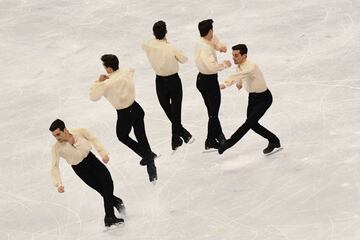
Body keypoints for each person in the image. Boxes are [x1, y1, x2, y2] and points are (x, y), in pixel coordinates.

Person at [89, 54, 157, 183]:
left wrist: (99, 81)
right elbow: (131, 70)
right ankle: (151, 167)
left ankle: (147, 156)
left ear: (108, 68)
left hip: (124, 114)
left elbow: (93, 96)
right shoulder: (126, 72)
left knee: (122, 136)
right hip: (136, 109)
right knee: (142, 138)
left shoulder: (106, 84)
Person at [49, 119, 125, 228]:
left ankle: (109, 216)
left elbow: (94, 139)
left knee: (108, 183)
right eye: (54, 136)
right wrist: (58, 183)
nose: (57, 138)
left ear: (64, 130)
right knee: (102, 190)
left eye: (58, 134)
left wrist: (103, 153)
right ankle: (116, 202)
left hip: (92, 161)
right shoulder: (56, 148)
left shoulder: (80, 132)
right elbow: (54, 166)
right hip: (80, 169)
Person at [218, 44, 281, 154]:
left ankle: (228, 143)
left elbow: (239, 75)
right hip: (252, 98)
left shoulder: (251, 66)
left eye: (236, 55)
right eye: (233, 55)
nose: (234, 58)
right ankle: (274, 140)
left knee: (248, 124)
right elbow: (240, 75)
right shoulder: (240, 65)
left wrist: (224, 84)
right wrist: (240, 82)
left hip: (264, 99)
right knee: (253, 125)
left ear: (244, 55)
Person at [142, 20, 193, 151]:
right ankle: (180, 135)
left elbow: (144, 44)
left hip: (159, 82)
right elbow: (184, 59)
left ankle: (177, 139)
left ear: (153, 33)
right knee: (175, 111)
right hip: (173, 81)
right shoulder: (171, 48)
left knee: (169, 110)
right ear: (166, 32)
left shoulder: (148, 45)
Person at [194, 19, 231, 150]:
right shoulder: (205, 48)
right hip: (208, 82)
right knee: (213, 113)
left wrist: (220, 46)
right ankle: (210, 140)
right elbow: (212, 66)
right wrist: (225, 65)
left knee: (212, 112)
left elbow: (214, 40)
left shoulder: (202, 39)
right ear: (209, 30)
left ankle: (219, 135)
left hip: (203, 80)